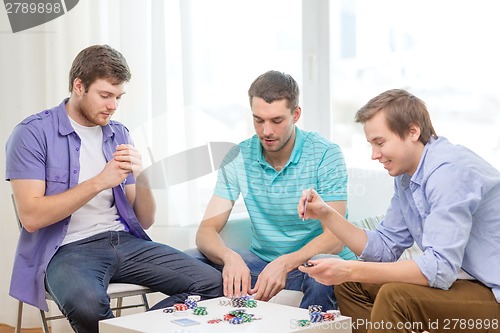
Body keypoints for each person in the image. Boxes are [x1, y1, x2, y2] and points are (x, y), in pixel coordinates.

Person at [5, 44, 223, 333]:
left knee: (212, 284)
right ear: (78, 86)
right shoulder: (32, 133)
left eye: (118, 97)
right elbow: (31, 217)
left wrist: (143, 176)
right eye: (105, 95)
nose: (113, 106)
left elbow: (144, 220)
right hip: (65, 249)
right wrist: (99, 181)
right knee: (87, 304)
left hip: (123, 241)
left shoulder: (119, 133)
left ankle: (130, 329)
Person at [298, 89, 500, 333]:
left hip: (492, 291)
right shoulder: (407, 177)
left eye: (380, 143)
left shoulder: (448, 172)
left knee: (395, 297)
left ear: (413, 131)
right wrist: (326, 213)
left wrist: (350, 268)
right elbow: (383, 248)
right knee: (351, 283)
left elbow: (439, 268)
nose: (374, 155)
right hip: (466, 279)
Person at [187, 70, 356, 311]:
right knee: (188, 260)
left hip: (312, 264)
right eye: (258, 120)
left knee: (323, 269)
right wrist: (229, 257)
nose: (266, 131)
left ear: (296, 114)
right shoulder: (239, 157)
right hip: (262, 263)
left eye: (276, 121)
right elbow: (206, 230)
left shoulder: (326, 154)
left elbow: (336, 238)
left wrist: (286, 263)